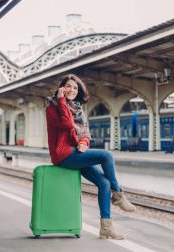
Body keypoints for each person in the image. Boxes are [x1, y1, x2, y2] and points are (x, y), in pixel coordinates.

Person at [45, 74, 136, 240]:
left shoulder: (78, 108)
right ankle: (119, 194)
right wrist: (61, 101)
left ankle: (106, 229)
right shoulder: (52, 108)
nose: (72, 90)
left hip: (77, 153)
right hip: (63, 154)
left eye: (75, 87)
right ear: (62, 88)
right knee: (107, 155)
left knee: (104, 182)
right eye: (69, 86)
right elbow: (66, 124)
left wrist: (84, 143)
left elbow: (85, 133)